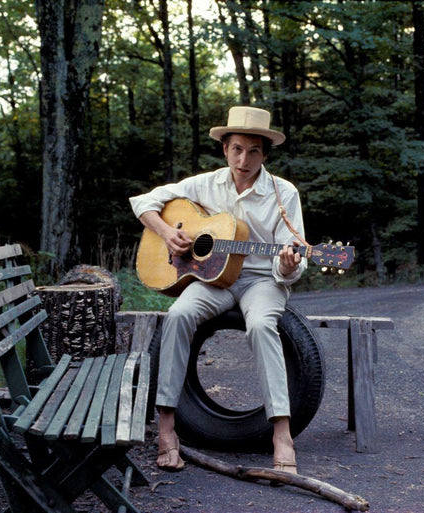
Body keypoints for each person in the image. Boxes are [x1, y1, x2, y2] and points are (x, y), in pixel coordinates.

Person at [129, 106, 307, 473]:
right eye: (237, 149)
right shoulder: (203, 185)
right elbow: (142, 202)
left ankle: (281, 434)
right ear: (224, 149)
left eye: (254, 151)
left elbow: (292, 254)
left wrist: (288, 265)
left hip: (262, 280)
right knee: (178, 314)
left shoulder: (283, 193)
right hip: (213, 280)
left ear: (265, 153)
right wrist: (167, 233)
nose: (244, 159)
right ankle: (166, 428)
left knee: (260, 326)